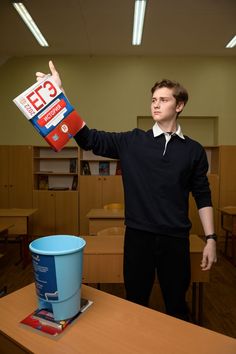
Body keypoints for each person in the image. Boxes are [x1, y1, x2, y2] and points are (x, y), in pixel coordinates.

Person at [36, 61, 217, 321]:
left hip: (175, 240)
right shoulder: (132, 141)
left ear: (179, 106)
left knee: (177, 306)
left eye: (163, 99)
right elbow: (90, 138)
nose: (155, 104)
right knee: (135, 304)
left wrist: (211, 239)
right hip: (138, 238)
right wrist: (59, 96)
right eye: (153, 99)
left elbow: (202, 195)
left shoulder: (194, 150)